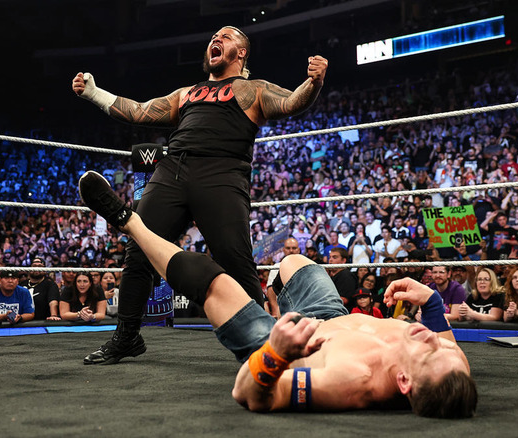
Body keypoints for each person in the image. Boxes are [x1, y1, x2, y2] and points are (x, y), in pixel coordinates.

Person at [77, 171, 476, 416]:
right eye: (447, 349)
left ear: (403, 382)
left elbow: (251, 395)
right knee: (294, 262)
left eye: (431, 352)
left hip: (287, 343)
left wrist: (277, 352)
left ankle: (129, 222)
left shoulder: (350, 381)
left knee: (209, 277)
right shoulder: (451, 366)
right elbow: (446, 346)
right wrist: (432, 302)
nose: (436, 342)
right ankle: (268, 300)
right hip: (331, 316)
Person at [72, 26, 328, 365]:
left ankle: (260, 343)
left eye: (226, 36)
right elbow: (138, 111)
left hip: (223, 174)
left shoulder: (253, 89)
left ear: (242, 52)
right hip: (172, 170)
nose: (216, 39)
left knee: (236, 260)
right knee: (140, 249)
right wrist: (94, 94)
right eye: (213, 37)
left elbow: (292, 102)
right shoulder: (187, 93)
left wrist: (313, 82)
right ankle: (127, 336)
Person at [20, 257, 61, 321]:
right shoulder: (22, 284)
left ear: (44, 269)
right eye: (34, 266)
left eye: (40, 266)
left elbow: (53, 301)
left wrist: (53, 315)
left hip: (42, 321)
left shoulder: (50, 284)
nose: (37, 268)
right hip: (22, 321)